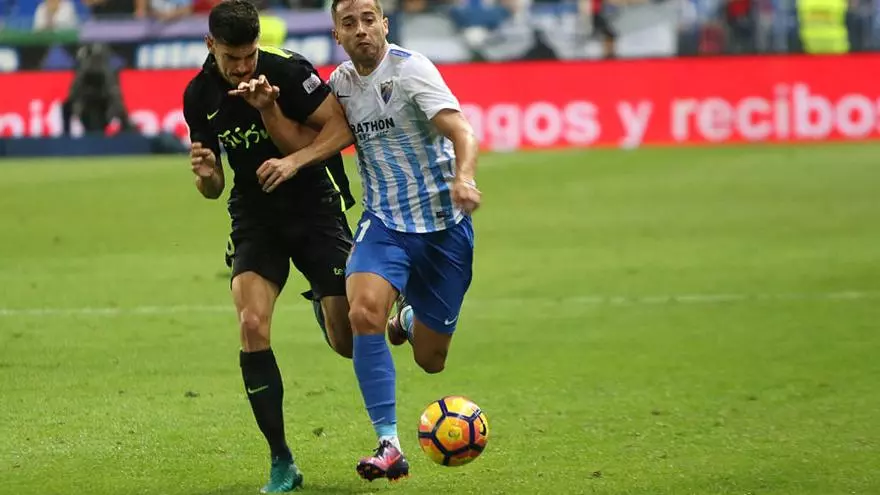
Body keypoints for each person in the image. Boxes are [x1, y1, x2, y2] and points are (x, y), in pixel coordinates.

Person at [258, 0, 483, 482]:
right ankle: (389, 444)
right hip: (384, 224)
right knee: (362, 314)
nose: (360, 30)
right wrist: (271, 112)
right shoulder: (339, 84)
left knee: (431, 360)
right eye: (349, 23)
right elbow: (310, 142)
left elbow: (461, 130)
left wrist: (464, 178)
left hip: (443, 230)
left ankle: (408, 317)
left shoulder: (411, 71)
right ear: (336, 35)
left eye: (368, 20)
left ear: (384, 23)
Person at [181, 0, 356, 492]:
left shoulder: (288, 71)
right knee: (251, 324)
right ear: (210, 45)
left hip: (315, 206)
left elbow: (342, 128)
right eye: (231, 58)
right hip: (256, 216)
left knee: (346, 343)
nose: (242, 68)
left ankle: (326, 304)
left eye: (249, 56)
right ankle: (281, 460)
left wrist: (294, 160)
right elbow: (213, 186)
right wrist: (207, 176)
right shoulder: (199, 94)